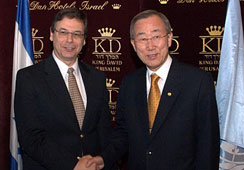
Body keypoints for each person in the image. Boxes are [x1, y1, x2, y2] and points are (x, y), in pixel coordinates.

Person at [87, 9, 220, 170]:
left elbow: (208, 145)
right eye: (142, 39)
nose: (150, 46)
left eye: (156, 36)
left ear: (169, 38)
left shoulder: (197, 82)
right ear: (134, 45)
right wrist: (102, 159)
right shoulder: (129, 84)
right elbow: (123, 135)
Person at [14, 8, 114, 170]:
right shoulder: (29, 78)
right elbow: (30, 138)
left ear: (84, 40)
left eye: (77, 34)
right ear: (51, 35)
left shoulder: (97, 78)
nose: (70, 40)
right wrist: (74, 165)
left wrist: (103, 161)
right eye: (63, 32)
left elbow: (104, 131)